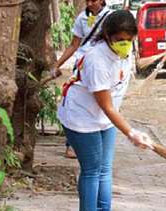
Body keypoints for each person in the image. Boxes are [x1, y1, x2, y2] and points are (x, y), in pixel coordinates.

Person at [57, 10, 152, 211]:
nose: (125, 45)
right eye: (120, 40)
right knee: (92, 170)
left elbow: (114, 100)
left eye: (129, 40)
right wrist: (132, 132)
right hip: (82, 119)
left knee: (105, 170)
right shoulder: (96, 60)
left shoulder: (125, 54)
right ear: (107, 37)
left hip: (104, 119)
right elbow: (107, 105)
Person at [51, 0, 111, 159]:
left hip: (102, 67)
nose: (90, 3)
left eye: (94, 0)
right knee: (77, 103)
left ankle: (99, 141)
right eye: (87, 0)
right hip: (82, 67)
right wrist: (57, 64)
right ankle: (71, 145)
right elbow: (73, 45)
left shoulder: (111, 17)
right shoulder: (81, 18)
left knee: (101, 105)